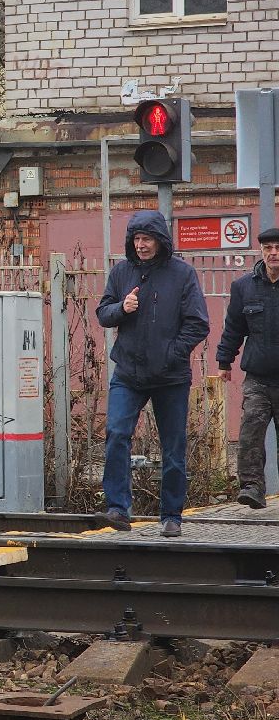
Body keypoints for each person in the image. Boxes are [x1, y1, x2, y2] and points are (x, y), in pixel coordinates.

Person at [94, 210, 210, 537]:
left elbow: (198, 323)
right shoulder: (121, 273)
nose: (141, 245)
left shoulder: (182, 275)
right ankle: (117, 508)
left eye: (147, 239)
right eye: (136, 239)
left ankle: (172, 515)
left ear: (160, 240)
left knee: (173, 446)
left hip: (170, 377)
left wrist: (172, 354)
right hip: (128, 372)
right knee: (116, 433)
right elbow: (103, 313)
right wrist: (122, 309)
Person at [216, 226, 279, 511]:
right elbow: (234, 327)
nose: (274, 253)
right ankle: (252, 487)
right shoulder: (244, 287)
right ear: (261, 251)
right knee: (250, 433)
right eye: (268, 248)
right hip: (258, 377)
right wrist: (224, 361)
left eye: (278, 248)